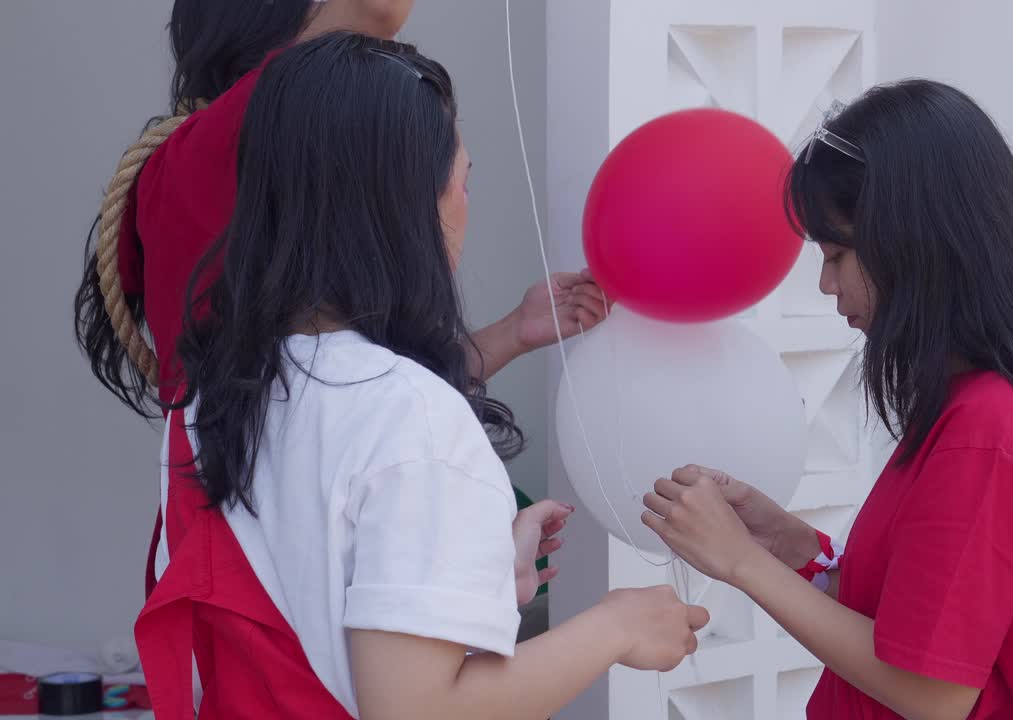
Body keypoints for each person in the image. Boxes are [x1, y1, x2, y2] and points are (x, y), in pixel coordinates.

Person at [136, 33, 709, 719]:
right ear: (407, 206)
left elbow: (303, 590)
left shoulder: (208, 396)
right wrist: (616, 626)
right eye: (463, 179)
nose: (468, 202)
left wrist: (480, 571)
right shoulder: (411, 416)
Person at [73, 0, 607, 599]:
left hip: (265, 554)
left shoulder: (259, 121)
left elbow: (330, 389)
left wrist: (511, 333)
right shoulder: (276, 114)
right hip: (282, 575)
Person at [642, 80, 1013, 720]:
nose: (825, 282)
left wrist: (737, 563)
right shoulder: (975, 406)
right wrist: (784, 546)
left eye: (837, 254)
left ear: (917, 243)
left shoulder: (991, 429)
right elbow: (911, 624)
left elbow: (933, 691)